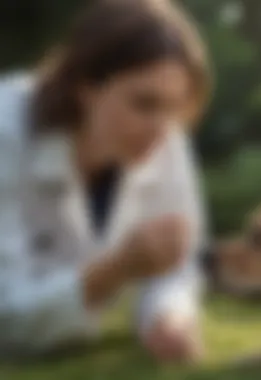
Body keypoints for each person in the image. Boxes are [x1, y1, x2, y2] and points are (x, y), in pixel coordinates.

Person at [0, 0, 210, 362]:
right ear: (86, 87)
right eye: (144, 104)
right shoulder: (7, 132)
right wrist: (117, 270)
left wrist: (169, 317)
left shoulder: (164, 137)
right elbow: (6, 317)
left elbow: (177, 265)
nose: (161, 131)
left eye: (175, 109)